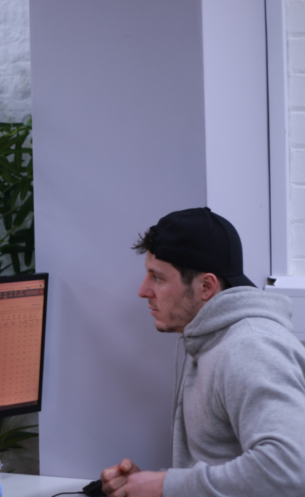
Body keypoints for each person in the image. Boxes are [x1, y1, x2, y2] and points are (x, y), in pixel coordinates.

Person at [101, 207, 305, 497]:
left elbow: (291, 469)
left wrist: (164, 486)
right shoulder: (209, 338)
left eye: (157, 277)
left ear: (206, 286)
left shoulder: (250, 347)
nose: (143, 290)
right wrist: (147, 484)